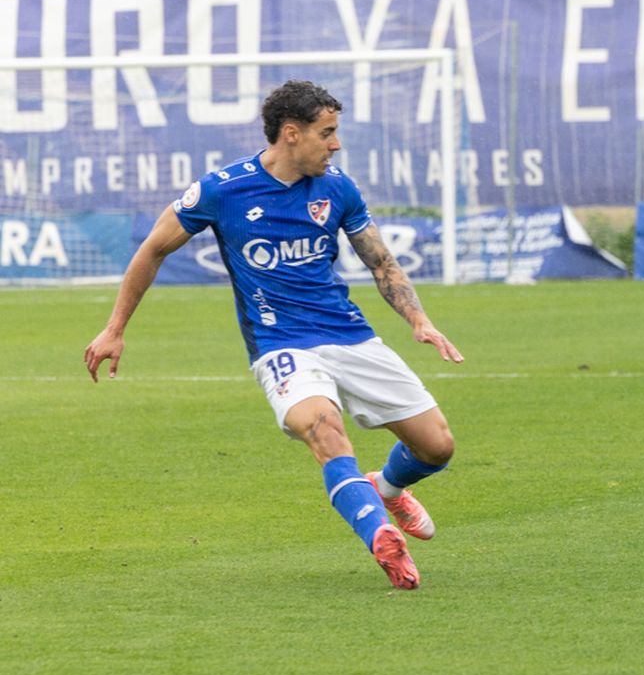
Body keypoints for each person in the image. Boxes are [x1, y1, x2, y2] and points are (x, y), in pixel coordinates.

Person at [84, 80, 463, 590]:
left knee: (437, 447)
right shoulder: (223, 190)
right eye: (327, 133)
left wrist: (419, 321)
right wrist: (114, 329)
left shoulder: (338, 188)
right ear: (291, 134)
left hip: (349, 335)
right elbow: (153, 247)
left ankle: (387, 488)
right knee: (325, 429)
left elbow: (380, 260)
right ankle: (380, 536)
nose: (336, 144)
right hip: (280, 345)